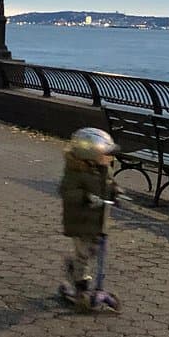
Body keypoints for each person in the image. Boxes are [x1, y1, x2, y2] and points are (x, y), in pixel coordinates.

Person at [58, 127, 120, 312]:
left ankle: (76, 270)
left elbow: (109, 184)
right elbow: (67, 192)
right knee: (83, 253)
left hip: (98, 220)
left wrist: (116, 191)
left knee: (94, 249)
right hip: (81, 221)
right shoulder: (75, 172)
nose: (110, 159)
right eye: (105, 155)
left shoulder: (103, 169)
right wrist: (86, 197)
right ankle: (79, 282)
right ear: (89, 154)